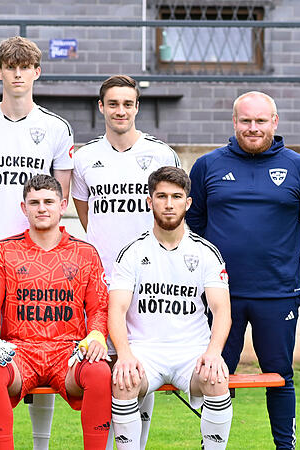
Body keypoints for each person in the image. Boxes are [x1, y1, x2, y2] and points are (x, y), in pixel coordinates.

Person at [187, 91, 300, 448]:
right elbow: (196, 219)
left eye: (260, 121)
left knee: (280, 375)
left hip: (277, 292)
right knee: (216, 375)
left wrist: (288, 252)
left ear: (274, 123)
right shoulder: (207, 166)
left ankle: (285, 446)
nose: (253, 128)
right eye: (245, 121)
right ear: (234, 123)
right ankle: (213, 444)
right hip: (222, 295)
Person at [0, 35, 74, 447]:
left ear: (37, 72)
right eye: (11, 67)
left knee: (42, 349)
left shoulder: (56, 128)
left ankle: (40, 444)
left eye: (25, 67)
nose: (18, 74)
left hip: (41, 259)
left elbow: (57, 196)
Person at [71, 74, 181, 448]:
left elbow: (173, 210)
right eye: (113, 103)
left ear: (138, 107)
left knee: (140, 360)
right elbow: (87, 214)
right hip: (103, 279)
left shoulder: (161, 153)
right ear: (101, 107)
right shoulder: (85, 157)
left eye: (128, 103)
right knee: (108, 365)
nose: (121, 110)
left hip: (150, 276)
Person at [0, 174, 111, 450]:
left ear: (63, 205)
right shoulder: (4, 251)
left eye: (48, 201)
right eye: (34, 202)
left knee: (99, 372)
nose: (42, 208)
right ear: (23, 208)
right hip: (19, 351)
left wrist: (96, 335)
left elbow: (98, 307)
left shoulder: (84, 253)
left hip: (68, 351)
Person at [109, 166, 233, 450]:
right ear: (149, 201)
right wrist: (125, 355)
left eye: (176, 196)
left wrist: (214, 353)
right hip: (144, 351)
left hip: (192, 352)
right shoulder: (132, 253)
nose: (168, 204)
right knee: (124, 380)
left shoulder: (206, 253)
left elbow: (222, 310)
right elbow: (116, 310)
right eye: (161, 196)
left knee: (217, 376)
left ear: (187, 203)